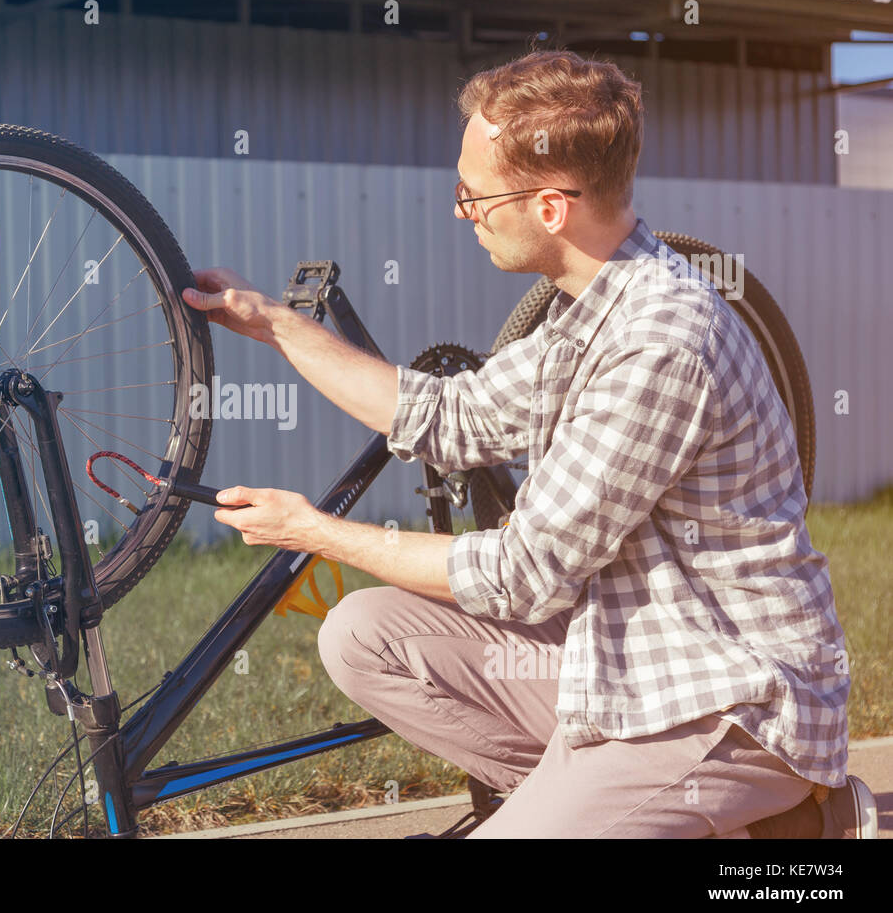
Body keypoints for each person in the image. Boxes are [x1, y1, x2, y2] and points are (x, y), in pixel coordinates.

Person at [180, 49, 875, 839]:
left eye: (472, 194)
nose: (461, 211)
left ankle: (763, 809)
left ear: (549, 207)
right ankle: (684, 820)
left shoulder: (660, 342)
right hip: (620, 657)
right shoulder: (589, 309)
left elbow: (519, 575)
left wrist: (314, 533)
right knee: (362, 634)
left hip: (723, 699)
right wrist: (275, 325)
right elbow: (449, 416)